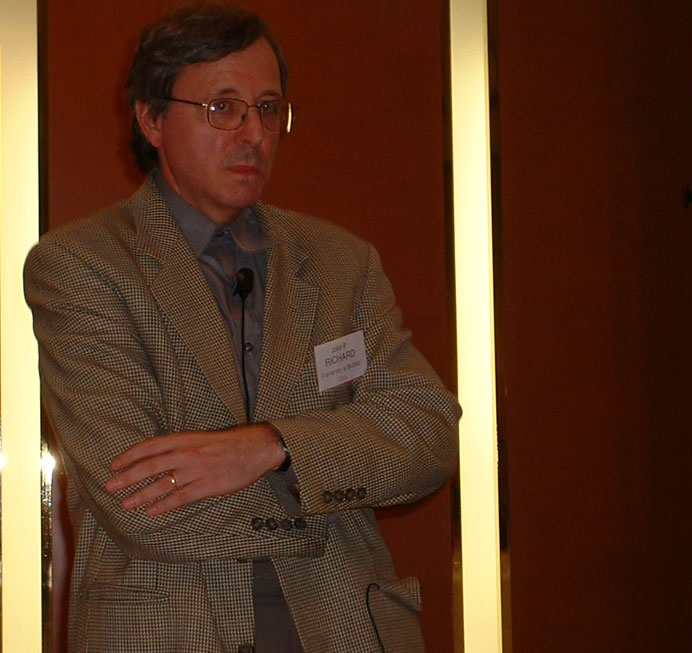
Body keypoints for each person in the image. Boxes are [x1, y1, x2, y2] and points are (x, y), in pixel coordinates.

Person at [24, 4, 460, 652]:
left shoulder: (342, 263)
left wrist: (274, 447)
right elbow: (139, 500)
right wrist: (327, 488)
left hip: (342, 629)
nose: (254, 132)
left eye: (268, 108)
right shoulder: (83, 266)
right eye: (222, 108)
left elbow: (428, 432)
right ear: (151, 120)